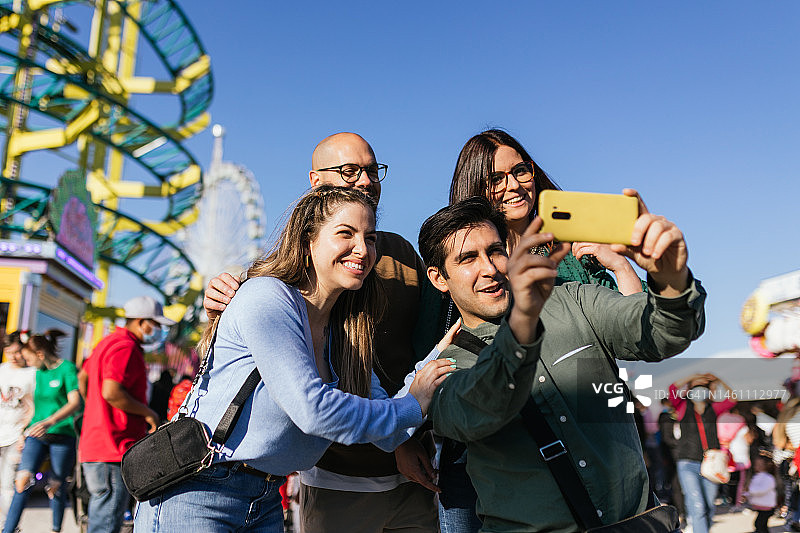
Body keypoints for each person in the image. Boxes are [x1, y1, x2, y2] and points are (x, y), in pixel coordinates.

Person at [135, 185, 452, 532]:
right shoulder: (267, 297)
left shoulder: (342, 337)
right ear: (307, 243)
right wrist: (411, 406)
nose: (363, 249)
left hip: (266, 498)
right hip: (200, 490)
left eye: (371, 238)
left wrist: (436, 361)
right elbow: (312, 411)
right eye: (346, 234)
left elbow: (388, 434)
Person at [415, 195, 705, 532]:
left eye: (495, 251)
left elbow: (661, 335)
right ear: (438, 278)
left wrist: (670, 278)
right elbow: (482, 407)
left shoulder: (573, 300)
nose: (490, 268)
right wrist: (523, 323)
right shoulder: (444, 368)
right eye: (468, 258)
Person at [204, 133, 443, 533]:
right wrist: (218, 304)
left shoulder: (400, 256)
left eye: (372, 170)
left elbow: (420, 348)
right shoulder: (279, 291)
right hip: (331, 476)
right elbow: (299, 398)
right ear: (315, 183)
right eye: (350, 171)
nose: (365, 181)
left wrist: (405, 436)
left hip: (413, 474)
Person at [424, 128, 645, 532]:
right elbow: (436, 363)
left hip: (583, 415)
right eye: (495, 178)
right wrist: (407, 433)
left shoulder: (572, 246)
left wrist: (621, 264)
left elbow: (637, 331)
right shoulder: (460, 251)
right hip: (493, 438)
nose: (513, 185)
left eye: (520, 170)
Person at [77, 296, 173, 533]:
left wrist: (95, 409)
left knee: (101, 514)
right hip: (113, 446)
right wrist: (149, 413)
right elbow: (111, 392)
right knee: (107, 519)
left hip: (95, 443)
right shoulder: (126, 346)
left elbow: (83, 377)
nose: (159, 331)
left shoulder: (107, 342)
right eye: (156, 324)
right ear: (142, 322)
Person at [3, 330, 81, 533]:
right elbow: (31, 407)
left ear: (39, 354)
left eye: (28, 358)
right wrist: (23, 430)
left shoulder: (66, 369)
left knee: (55, 486)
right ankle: (8, 530)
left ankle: (55, 529)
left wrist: (51, 421)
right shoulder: (37, 373)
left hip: (62, 435)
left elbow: (75, 402)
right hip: (36, 434)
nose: (27, 363)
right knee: (22, 481)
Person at [668, 373, 736, 533]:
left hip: (711, 463)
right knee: (697, 505)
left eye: (703, 388)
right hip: (687, 462)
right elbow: (672, 389)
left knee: (708, 505)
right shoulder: (683, 407)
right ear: (690, 390)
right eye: (696, 388)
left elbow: (732, 398)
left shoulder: (714, 409)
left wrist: (718, 380)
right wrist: (692, 376)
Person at [0, 331, 35, 527]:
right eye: (8, 352)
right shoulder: (1, 370)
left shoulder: (31, 374)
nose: (13, 356)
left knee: (7, 484)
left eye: (16, 352)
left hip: (16, 436)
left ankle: (8, 525)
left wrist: (25, 432)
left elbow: (34, 407)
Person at [742, 456, 777, 533]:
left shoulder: (768, 478)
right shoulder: (757, 476)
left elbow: (761, 490)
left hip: (767, 506)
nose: (756, 466)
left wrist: (748, 491)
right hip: (762, 506)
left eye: (759, 465)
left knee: (759, 524)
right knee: (761, 524)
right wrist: (746, 494)